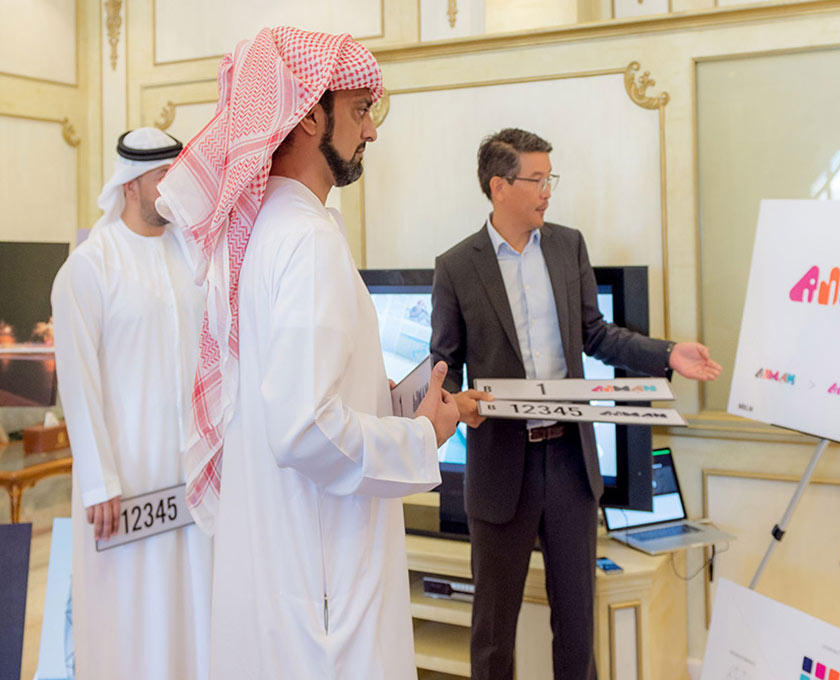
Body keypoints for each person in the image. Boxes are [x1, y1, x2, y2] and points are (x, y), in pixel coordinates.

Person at [156, 27, 458, 678]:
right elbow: (305, 429)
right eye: (358, 111)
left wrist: (398, 409)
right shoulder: (304, 240)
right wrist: (422, 436)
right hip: (322, 588)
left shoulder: (272, 233)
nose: (371, 132)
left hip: (294, 566)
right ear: (306, 114)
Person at [431, 127, 722, 680]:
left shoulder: (568, 246)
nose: (547, 191)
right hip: (499, 468)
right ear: (499, 186)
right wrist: (454, 406)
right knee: (493, 633)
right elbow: (443, 365)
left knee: (577, 627)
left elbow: (597, 334)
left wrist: (667, 354)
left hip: (569, 464)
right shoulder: (456, 266)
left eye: (549, 179)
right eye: (536, 180)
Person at [52, 127, 212, 679]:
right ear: (130, 185)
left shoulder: (193, 257)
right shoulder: (89, 268)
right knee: (130, 616)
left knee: (191, 608)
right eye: (162, 178)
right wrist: (100, 481)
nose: (173, 188)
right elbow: (78, 381)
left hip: (190, 479)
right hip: (124, 486)